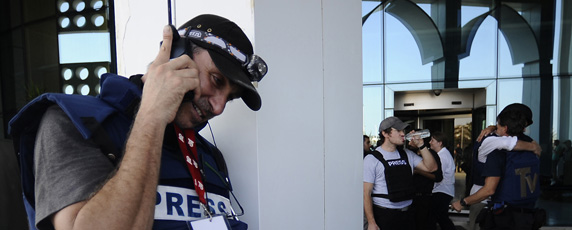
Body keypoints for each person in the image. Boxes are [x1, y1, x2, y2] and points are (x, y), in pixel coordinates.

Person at [9, 14, 267, 230]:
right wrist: (152, 114)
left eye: (229, 98)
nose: (219, 107)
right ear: (177, 54)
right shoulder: (74, 122)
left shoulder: (209, 157)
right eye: (216, 80)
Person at [452, 104, 545, 230]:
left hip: (491, 207)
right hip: (525, 213)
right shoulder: (530, 147)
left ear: (505, 127)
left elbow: (489, 190)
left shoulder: (494, 147)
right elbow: (531, 147)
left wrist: (463, 202)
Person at [363, 117, 437, 230]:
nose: (403, 134)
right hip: (385, 215)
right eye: (398, 131)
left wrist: (421, 145)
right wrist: (371, 222)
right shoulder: (372, 159)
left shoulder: (407, 154)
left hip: (408, 214)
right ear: (385, 133)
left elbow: (431, 168)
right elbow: (366, 193)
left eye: (403, 131)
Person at [409, 133, 443, 230]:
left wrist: (419, 171)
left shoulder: (431, 155)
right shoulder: (409, 154)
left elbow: (438, 177)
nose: (410, 142)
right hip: (410, 199)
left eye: (413, 139)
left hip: (425, 198)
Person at [427, 131, 456, 230]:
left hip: (442, 190)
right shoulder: (444, 154)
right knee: (440, 217)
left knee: (439, 217)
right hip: (444, 190)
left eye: (432, 140)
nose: (430, 142)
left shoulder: (442, 156)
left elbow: (438, 175)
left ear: (440, 143)